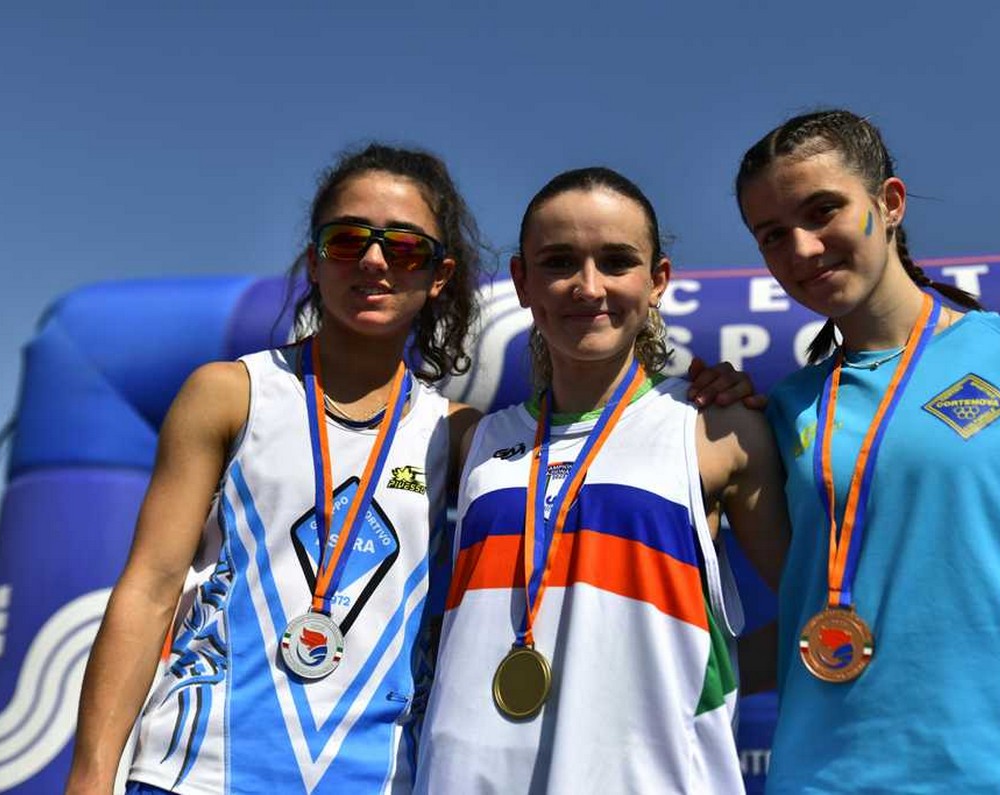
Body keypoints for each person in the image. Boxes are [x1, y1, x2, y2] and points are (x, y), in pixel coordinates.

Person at [65, 145, 755, 795]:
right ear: (314, 261)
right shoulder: (230, 393)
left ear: (438, 276)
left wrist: (711, 391)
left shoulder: (464, 435)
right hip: (201, 770)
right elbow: (149, 589)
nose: (373, 261)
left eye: (403, 248)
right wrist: (92, 774)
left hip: (376, 776)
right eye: (347, 240)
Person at [734, 109, 1000, 792]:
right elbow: (805, 606)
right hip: (821, 777)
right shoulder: (781, 410)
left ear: (890, 202)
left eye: (823, 211)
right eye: (773, 235)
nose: (803, 249)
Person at [415, 167, 790, 794]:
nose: (588, 287)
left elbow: (812, 606)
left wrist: (682, 692)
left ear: (657, 280)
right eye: (559, 262)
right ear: (522, 282)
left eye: (616, 262)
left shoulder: (714, 428)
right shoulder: (472, 440)